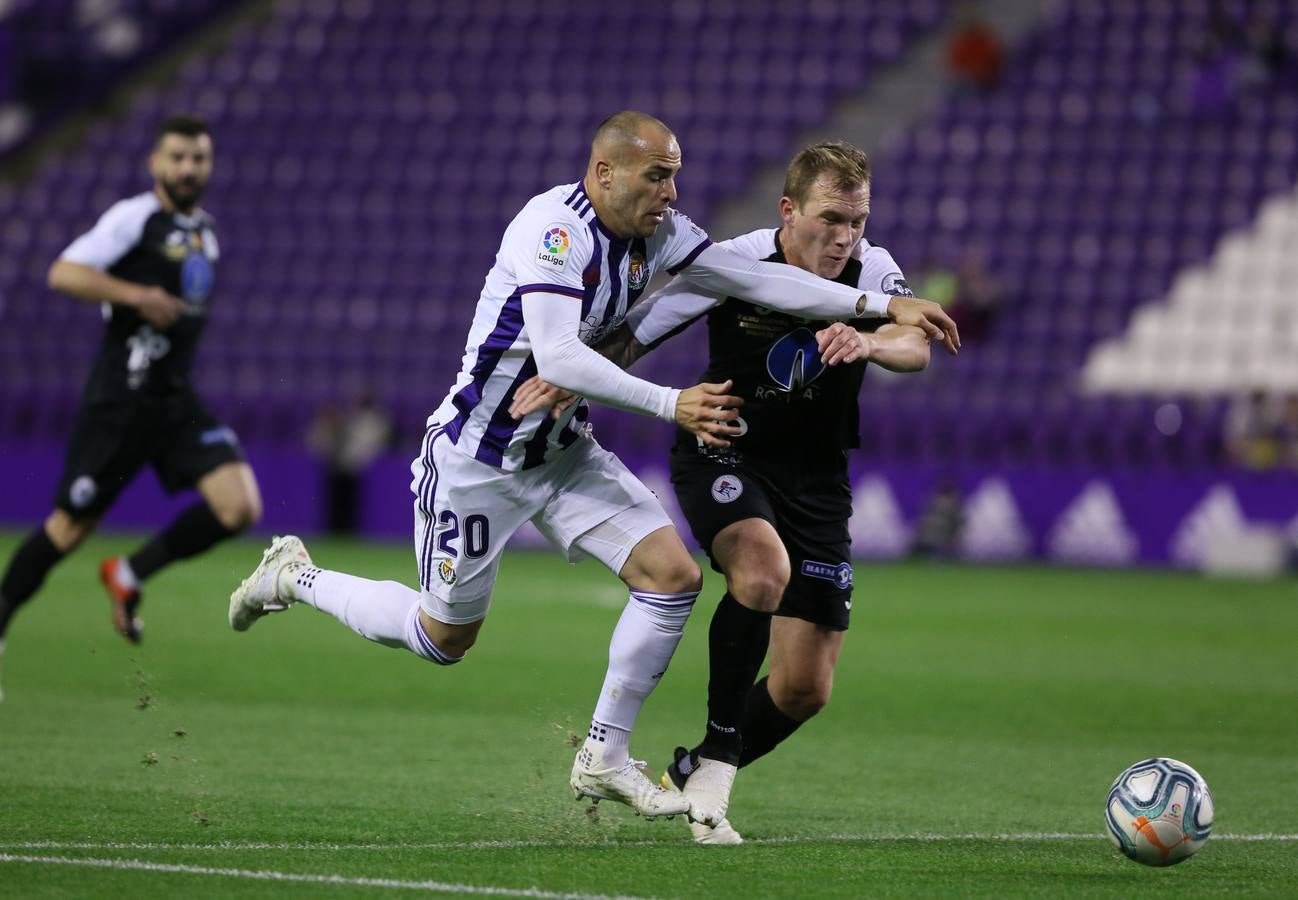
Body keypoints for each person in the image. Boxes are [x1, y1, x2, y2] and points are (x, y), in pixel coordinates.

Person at [226, 113, 958, 820]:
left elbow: (755, 281)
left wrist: (880, 308)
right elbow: (560, 356)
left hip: (564, 450)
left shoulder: (664, 234)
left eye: (675, 177)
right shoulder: (553, 229)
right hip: (482, 456)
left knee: (672, 577)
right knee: (441, 637)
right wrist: (672, 403)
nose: (671, 192)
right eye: (658, 176)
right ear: (606, 172)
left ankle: (604, 757)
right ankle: (296, 575)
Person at [513, 141, 939, 843]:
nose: (845, 237)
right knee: (762, 568)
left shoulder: (874, 269)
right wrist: (573, 372)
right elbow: (639, 331)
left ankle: (691, 770)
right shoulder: (735, 261)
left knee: (805, 688)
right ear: (788, 210)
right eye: (831, 218)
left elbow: (913, 342)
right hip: (723, 450)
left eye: (857, 221)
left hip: (817, 479)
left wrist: (869, 344)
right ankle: (718, 762)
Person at [0, 114, 261, 696]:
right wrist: (136, 294)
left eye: (198, 158)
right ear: (156, 162)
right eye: (178, 157)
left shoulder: (205, 231)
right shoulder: (132, 218)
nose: (189, 168)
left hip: (175, 399)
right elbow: (64, 272)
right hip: (121, 400)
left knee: (238, 506)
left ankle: (128, 573)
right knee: (68, 529)